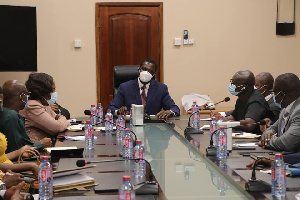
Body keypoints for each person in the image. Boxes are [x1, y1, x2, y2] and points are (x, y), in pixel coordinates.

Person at [107, 59, 180, 119]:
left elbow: (175, 108)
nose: (146, 72)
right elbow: (110, 109)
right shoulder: (125, 87)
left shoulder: (161, 88)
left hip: (153, 128)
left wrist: (169, 112)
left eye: (150, 71)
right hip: (130, 126)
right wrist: (118, 111)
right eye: (144, 69)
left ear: (153, 74)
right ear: (139, 70)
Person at [0, 80, 52, 153]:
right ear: (22, 96)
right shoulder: (11, 116)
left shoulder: (10, 114)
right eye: (27, 95)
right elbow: (16, 151)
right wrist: (40, 144)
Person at [19, 73, 70, 143]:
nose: (54, 93)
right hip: (36, 151)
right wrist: (63, 119)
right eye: (52, 90)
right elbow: (57, 127)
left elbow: (57, 118)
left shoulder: (43, 104)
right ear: (44, 91)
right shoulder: (32, 106)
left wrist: (59, 119)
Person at [259, 73, 300, 152]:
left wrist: (266, 141)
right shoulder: (286, 108)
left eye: (274, 93)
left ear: (281, 94)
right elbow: (271, 129)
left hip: (293, 161)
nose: (273, 96)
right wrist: (267, 134)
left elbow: (286, 144)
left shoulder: (298, 111)